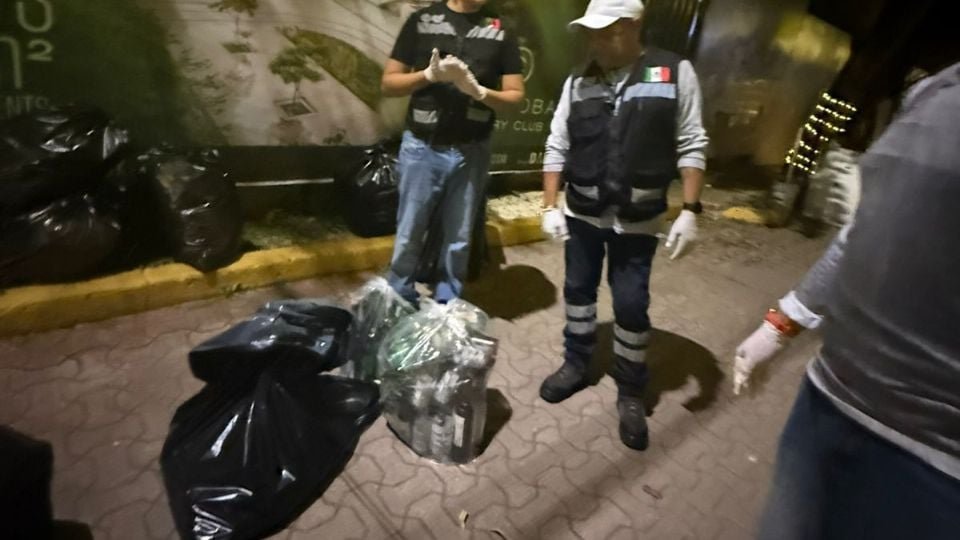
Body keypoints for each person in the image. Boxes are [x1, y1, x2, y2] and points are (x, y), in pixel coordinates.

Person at [734, 61, 960, 539]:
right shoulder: (937, 92)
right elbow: (863, 231)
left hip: (937, 464)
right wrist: (780, 324)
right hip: (828, 405)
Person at [538, 0, 709, 451]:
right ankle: (576, 364)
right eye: (591, 33)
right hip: (583, 213)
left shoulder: (673, 73)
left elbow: (692, 141)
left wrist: (691, 209)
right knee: (577, 291)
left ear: (634, 26)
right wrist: (549, 205)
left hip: (638, 219)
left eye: (606, 32)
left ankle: (631, 389)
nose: (595, 41)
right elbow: (558, 142)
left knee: (631, 305)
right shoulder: (578, 80)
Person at [380, 0, 524, 305]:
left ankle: (447, 307)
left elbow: (515, 98)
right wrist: (428, 76)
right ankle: (398, 298)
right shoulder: (422, 21)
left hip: (472, 151)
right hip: (422, 147)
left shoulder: (501, 30)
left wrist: (480, 92)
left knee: (458, 239)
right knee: (409, 234)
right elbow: (389, 83)